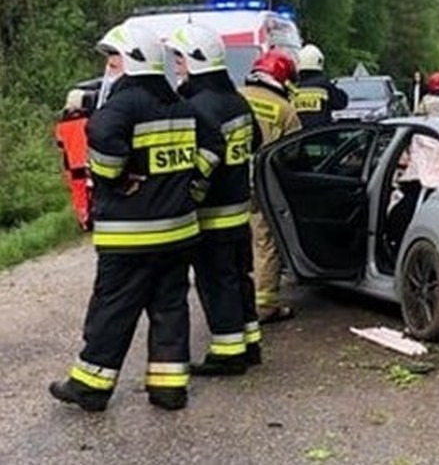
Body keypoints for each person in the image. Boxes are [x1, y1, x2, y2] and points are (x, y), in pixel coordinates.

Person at [49, 23, 225, 412]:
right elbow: (214, 145)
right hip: (178, 231)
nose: (111, 67)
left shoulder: (124, 105)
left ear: (131, 60)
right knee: (170, 310)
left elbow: (100, 133)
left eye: (114, 58)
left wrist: (113, 177)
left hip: (130, 237)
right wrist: (191, 187)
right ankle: (168, 389)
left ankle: (90, 386)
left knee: (112, 309)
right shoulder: (181, 105)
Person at [166, 24, 263, 376]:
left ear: (194, 60)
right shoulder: (235, 99)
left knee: (216, 283)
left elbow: (205, 161)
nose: (176, 63)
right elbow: (256, 141)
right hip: (238, 211)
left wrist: (187, 194)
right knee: (239, 278)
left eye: (179, 57)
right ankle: (250, 344)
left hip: (212, 215)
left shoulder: (199, 106)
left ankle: (228, 353)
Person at [240, 49, 302, 323]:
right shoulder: (285, 110)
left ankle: (233, 302)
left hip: (228, 184)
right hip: (263, 187)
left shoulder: (236, 96)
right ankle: (265, 306)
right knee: (265, 243)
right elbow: (294, 154)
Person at [291, 43, 348, 128]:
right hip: (321, 136)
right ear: (319, 62)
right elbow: (342, 102)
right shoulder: (324, 86)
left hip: (296, 137)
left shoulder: (292, 87)